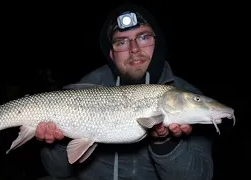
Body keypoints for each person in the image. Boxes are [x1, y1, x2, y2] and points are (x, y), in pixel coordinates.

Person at [36, 3, 214, 180]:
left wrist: (165, 143)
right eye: (121, 42)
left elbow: (200, 176)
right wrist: (62, 139)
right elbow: (57, 172)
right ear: (112, 54)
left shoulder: (187, 96)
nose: (134, 49)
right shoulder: (90, 85)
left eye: (143, 37)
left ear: (157, 43)